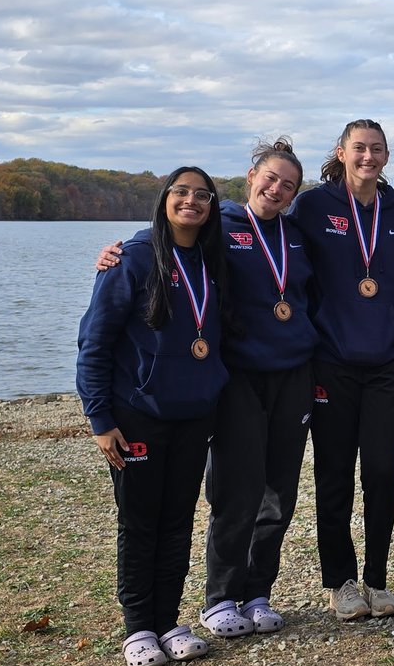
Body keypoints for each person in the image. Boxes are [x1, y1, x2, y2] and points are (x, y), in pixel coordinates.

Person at [96, 139, 319, 638]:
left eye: (288, 185)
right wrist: (119, 252)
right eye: (270, 178)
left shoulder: (298, 235)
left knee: (279, 493)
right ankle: (220, 597)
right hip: (237, 375)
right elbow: (170, 242)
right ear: (251, 177)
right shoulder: (221, 226)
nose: (276, 189)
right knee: (238, 490)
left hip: (294, 374)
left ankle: (258, 592)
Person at [77, 167, 229, 666]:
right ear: (164, 198)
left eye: (202, 195)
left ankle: (168, 621)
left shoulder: (213, 258)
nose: (191, 201)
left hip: (195, 415)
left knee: (178, 521)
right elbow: (94, 343)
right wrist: (100, 419)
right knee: (140, 522)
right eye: (181, 192)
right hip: (138, 416)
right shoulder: (133, 258)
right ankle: (138, 628)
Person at [288, 119, 394, 621]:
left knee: (383, 473)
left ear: (386, 156)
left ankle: (378, 579)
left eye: (376, 149)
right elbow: (261, 229)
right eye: (358, 148)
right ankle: (339, 582)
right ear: (341, 153)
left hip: (389, 364)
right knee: (335, 473)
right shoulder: (312, 207)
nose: (368, 156)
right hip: (332, 362)